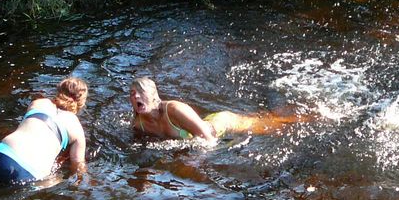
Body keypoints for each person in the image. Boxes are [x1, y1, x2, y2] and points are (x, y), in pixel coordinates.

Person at [0, 77, 88, 186]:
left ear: (58, 91)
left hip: (3, 161)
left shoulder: (39, 103)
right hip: (36, 178)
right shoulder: (77, 130)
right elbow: (77, 165)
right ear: (81, 103)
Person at [129, 77, 306, 143]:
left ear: (153, 96)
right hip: (197, 132)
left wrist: (195, 160)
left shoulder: (174, 109)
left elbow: (208, 137)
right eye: (132, 94)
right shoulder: (138, 124)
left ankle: (305, 117)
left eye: (141, 93)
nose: (136, 97)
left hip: (220, 124)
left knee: (273, 126)